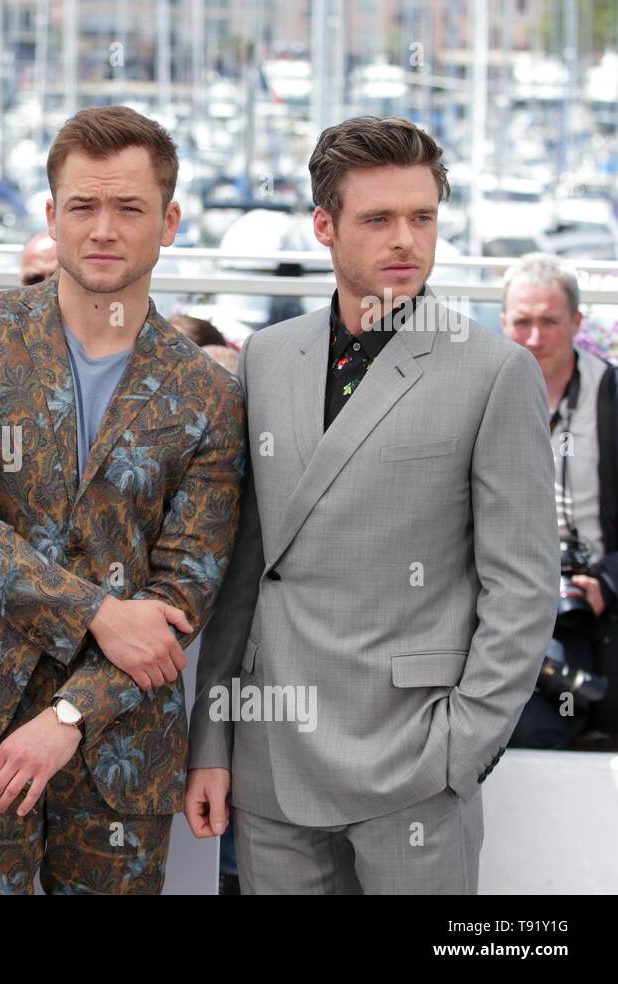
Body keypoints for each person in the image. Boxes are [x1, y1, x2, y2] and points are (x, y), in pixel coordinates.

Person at [0, 106, 247, 894]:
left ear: (170, 222)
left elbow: (183, 592)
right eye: (82, 206)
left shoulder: (212, 395)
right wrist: (96, 613)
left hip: (120, 740)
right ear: (52, 215)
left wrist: (69, 717)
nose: (103, 228)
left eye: (129, 208)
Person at [185, 116, 558, 894]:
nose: (406, 241)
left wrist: (459, 751)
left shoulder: (494, 372)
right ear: (324, 226)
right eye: (379, 219)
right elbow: (244, 567)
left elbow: (522, 587)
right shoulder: (266, 356)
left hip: (412, 764)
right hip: (272, 757)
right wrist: (212, 741)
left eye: (422, 218)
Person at [502, 253, 618, 748]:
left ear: (576, 322)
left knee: (546, 721)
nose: (534, 338)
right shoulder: (482, 394)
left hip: (590, 597)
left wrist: (606, 581)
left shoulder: (610, 395)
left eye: (549, 322)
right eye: (522, 322)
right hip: (504, 594)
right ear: (503, 322)